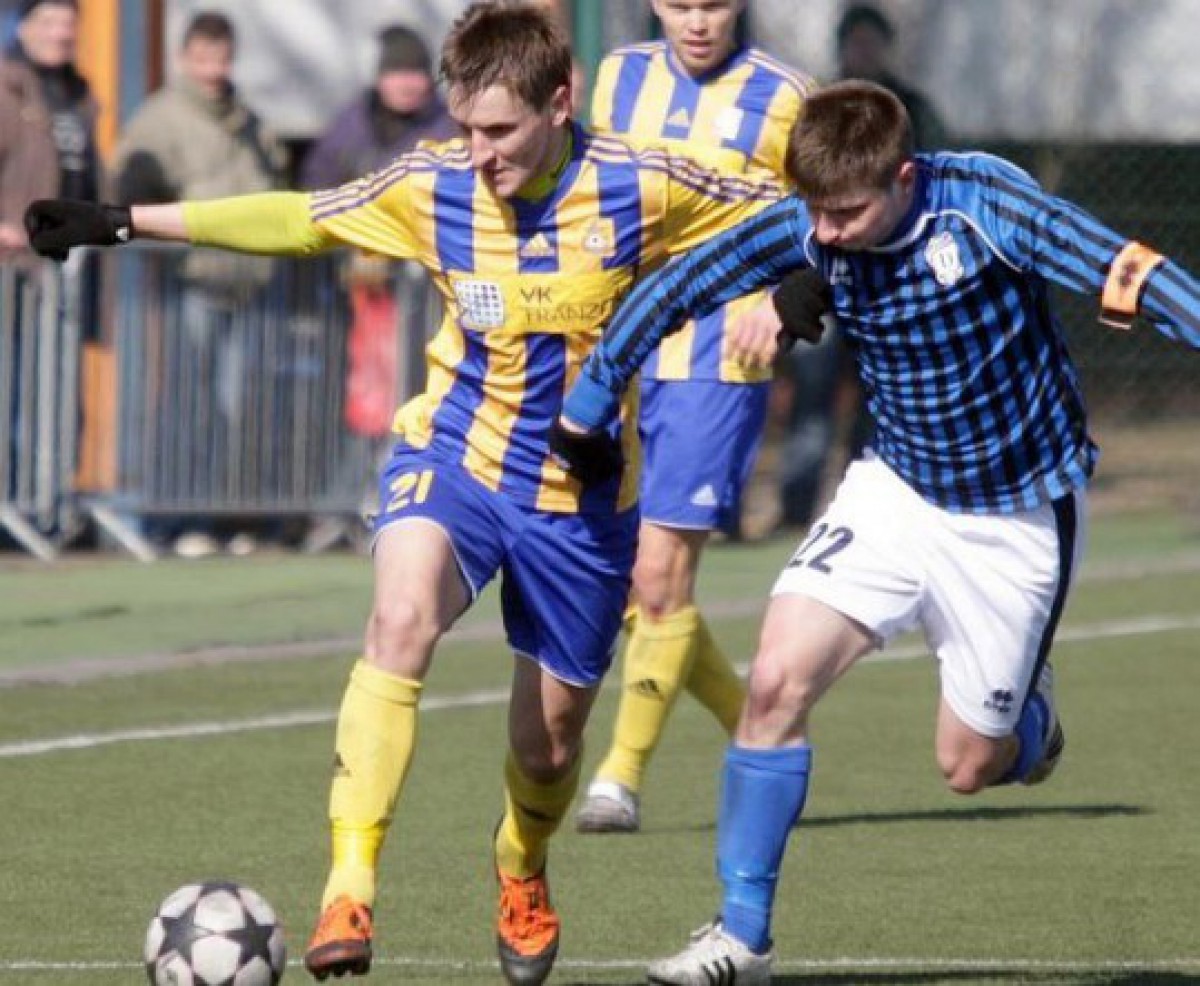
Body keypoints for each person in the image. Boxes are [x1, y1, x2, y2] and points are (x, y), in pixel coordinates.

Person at [24, 4, 785, 983]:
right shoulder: (434, 182)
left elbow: (796, 214)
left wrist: (789, 293)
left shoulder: (643, 180)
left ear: (560, 104)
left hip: (581, 498)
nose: (478, 153)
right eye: (465, 127)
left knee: (550, 749)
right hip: (454, 454)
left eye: (499, 130)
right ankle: (349, 885)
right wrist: (125, 221)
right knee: (398, 618)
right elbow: (302, 217)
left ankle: (521, 863)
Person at [553, 80, 1200, 984]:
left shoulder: (986, 204)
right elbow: (680, 285)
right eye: (814, 212)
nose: (824, 232)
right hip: (894, 492)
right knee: (775, 680)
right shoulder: (813, 225)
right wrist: (586, 404)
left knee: (968, 766)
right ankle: (742, 938)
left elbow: (1132, 270)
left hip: (1017, 519)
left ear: (902, 177)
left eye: (846, 214)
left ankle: (1030, 719)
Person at [574, 0, 813, 835]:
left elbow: (827, 224)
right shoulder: (617, 78)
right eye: (679, 5)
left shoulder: (787, 96)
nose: (697, 22)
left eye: (713, 3)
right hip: (619, 349)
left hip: (719, 355)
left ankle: (619, 777)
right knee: (630, 583)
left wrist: (783, 303)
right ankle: (759, 723)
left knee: (661, 574)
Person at [114, 10, 289, 558]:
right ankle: (179, 520)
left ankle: (231, 517)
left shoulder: (249, 122)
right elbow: (130, 189)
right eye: (203, 57)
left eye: (222, 57)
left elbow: (278, 185)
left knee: (239, 410)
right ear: (184, 58)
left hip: (248, 284)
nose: (213, 68)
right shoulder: (159, 120)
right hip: (190, 283)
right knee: (188, 406)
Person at [772, 2, 952, 534]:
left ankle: (870, 507)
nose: (863, 52)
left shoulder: (912, 110)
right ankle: (795, 510)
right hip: (826, 282)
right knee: (812, 396)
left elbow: (937, 186)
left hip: (893, 288)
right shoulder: (817, 108)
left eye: (872, 43)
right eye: (855, 43)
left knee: (882, 399)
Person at [300, 24, 458, 553]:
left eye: (416, 73)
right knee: (360, 406)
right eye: (398, 73)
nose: (407, 84)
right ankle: (341, 505)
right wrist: (347, 248)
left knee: (416, 404)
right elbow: (315, 194)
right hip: (355, 298)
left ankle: (401, 504)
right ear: (380, 78)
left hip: (428, 299)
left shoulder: (448, 127)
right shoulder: (350, 125)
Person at [0, 0, 96, 259]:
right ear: (23, 28)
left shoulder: (80, 94)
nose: (61, 34)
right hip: (16, 258)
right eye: (48, 23)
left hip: (73, 253)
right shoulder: (6, 88)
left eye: (69, 24)